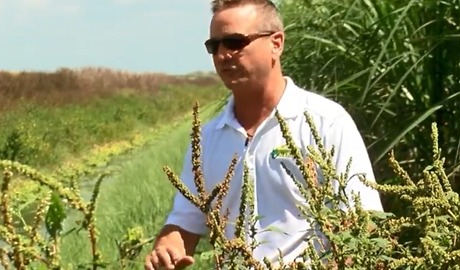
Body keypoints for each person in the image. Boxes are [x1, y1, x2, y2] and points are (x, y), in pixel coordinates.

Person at [144, 0, 384, 269]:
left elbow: (364, 225)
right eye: (215, 46)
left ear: (276, 43)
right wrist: (167, 249)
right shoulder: (208, 139)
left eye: (235, 42)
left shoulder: (325, 123)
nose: (223, 54)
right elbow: (184, 221)